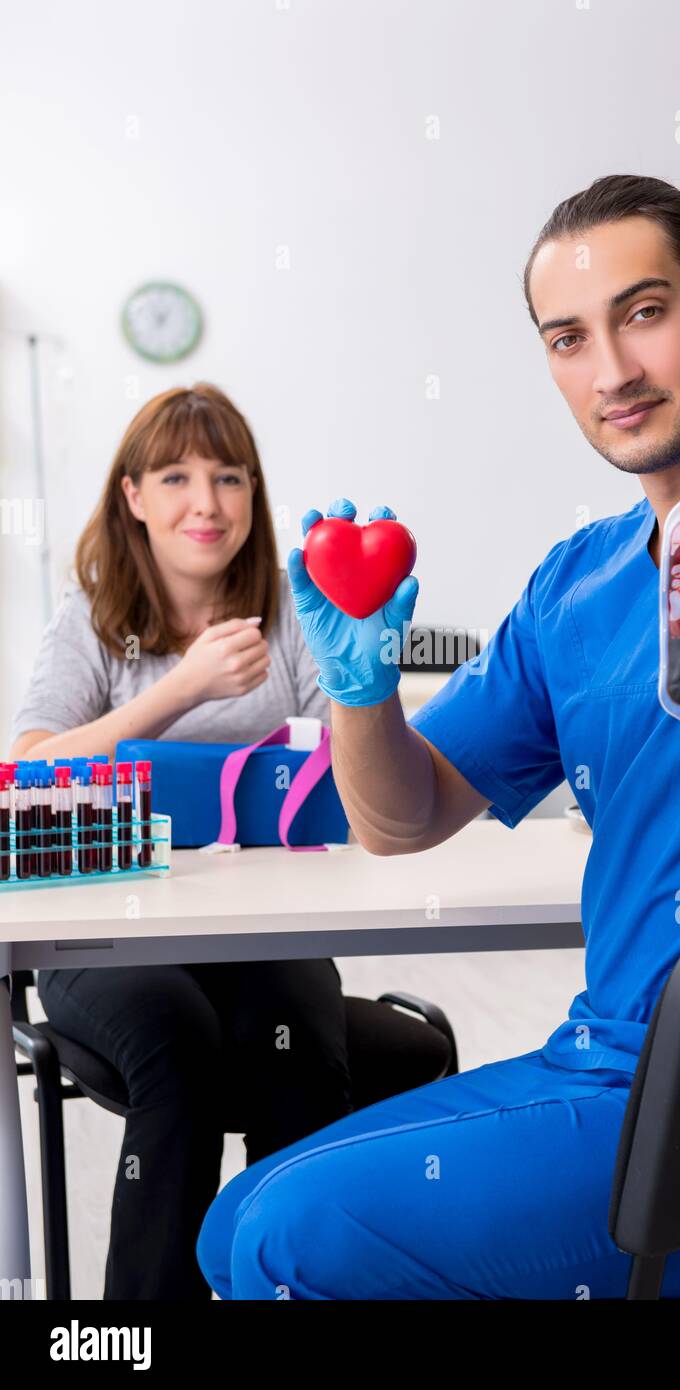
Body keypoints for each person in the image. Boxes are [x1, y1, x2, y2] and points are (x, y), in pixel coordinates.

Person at [197, 175, 680, 1300]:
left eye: (645, 312)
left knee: (290, 1242)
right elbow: (402, 818)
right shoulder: (577, 585)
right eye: (570, 337)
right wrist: (360, 688)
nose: (612, 370)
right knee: (233, 1226)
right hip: (613, 1067)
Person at [9, 383, 353, 1300]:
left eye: (229, 477)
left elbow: (347, 767)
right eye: (176, 477)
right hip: (103, 933)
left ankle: (277, 1285)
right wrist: (179, 690)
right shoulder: (89, 619)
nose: (207, 503)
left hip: (258, 926)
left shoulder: (289, 610)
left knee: (303, 1055)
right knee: (181, 1052)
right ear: (132, 495)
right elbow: (32, 770)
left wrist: (364, 651)